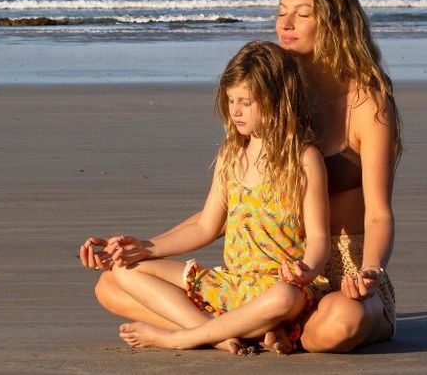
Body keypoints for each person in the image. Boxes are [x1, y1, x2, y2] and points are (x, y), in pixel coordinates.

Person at [82, 0, 402, 353]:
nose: (286, 23)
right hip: (268, 277)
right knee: (110, 285)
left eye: (302, 14)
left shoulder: (366, 103)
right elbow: (223, 214)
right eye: (281, 12)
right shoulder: (273, 96)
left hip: (345, 273)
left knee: (339, 324)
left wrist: (369, 271)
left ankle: (220, 330)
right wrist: (142, 247)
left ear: (334, 22)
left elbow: (378, 213)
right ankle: (245, 329)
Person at [81, 40, 330, 354]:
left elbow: (320, 237)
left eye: (246, 102)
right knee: (121, 272)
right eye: (230, 100)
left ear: (278, 100)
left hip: (280, 287)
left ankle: (183, 337)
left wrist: (306, 269)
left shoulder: (303, 159)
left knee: (284, 298)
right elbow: (205, 227)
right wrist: (143, 249)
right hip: (231, 283)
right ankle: (223, 333)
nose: (235, 111)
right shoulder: (231, 155)